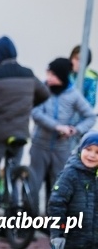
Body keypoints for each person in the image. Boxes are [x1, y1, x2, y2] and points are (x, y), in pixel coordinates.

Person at [0, 35, 49, 235]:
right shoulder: (29, 74)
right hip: (19, 133)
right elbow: (44, 93)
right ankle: (13, 227)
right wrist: (26, 105)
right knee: (14, 175)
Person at [29, 57, 95, 215]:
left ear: (62, 76)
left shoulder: (73, 94)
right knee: (33, 185)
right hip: (40, 145)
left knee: (57, 187)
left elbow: (90, 117)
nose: (49, 78)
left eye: (53, 75)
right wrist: (57, 126)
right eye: (48, 74)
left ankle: (52, 221)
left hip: (61, 148)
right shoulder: (42, 90)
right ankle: (29, 220)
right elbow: (35, 112)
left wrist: (75, 130)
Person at [47, 130, 98, 248]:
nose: (92, 155)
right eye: (88, 149)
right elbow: (56, 204)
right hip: (73, 240)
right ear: (80, 149)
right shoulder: (70, 174)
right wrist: (58, 233)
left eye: (97, 152)